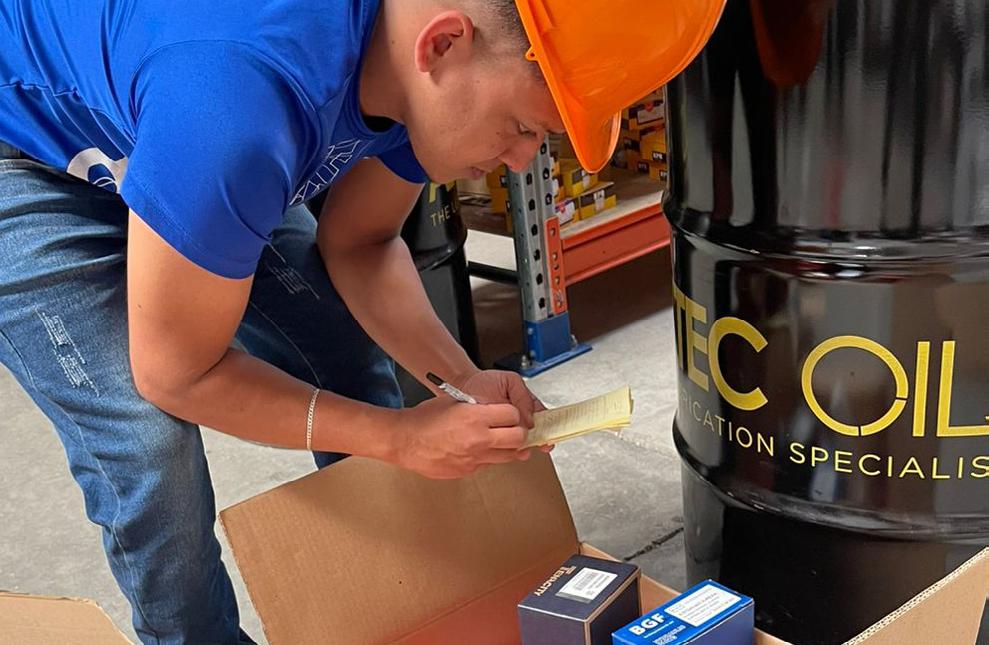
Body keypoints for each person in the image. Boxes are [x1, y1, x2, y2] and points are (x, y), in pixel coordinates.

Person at [0, 0, 723, 641]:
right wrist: (398, 438)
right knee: (145, 443)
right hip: (31, 154)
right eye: (520, 126)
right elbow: (177, 375)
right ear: (443, 44)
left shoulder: (417, 67)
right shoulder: (238, 105)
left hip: (172, 133)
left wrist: (461, 381)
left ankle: (397, 608)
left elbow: (363, 243)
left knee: (342, 351)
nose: (520, 158)